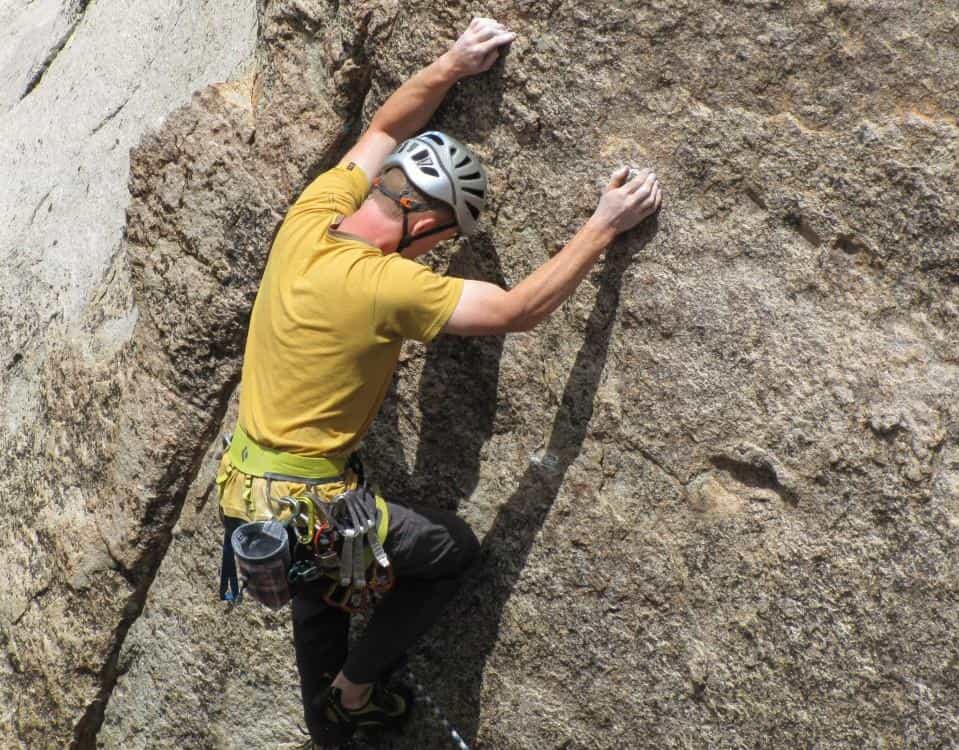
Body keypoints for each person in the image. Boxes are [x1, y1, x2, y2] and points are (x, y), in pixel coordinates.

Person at [213, 16, 663, 748]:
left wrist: (453, 63)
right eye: (444, 237)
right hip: (310, 513)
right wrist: (604, 224)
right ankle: (356, 689)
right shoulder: (386, 285)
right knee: (450, 549)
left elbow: (385, 126)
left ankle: (338, 717)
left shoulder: (312, 212)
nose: (440, 252)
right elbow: (521, 310)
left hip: (245, 501)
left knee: (323, 601)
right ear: (421, 218)